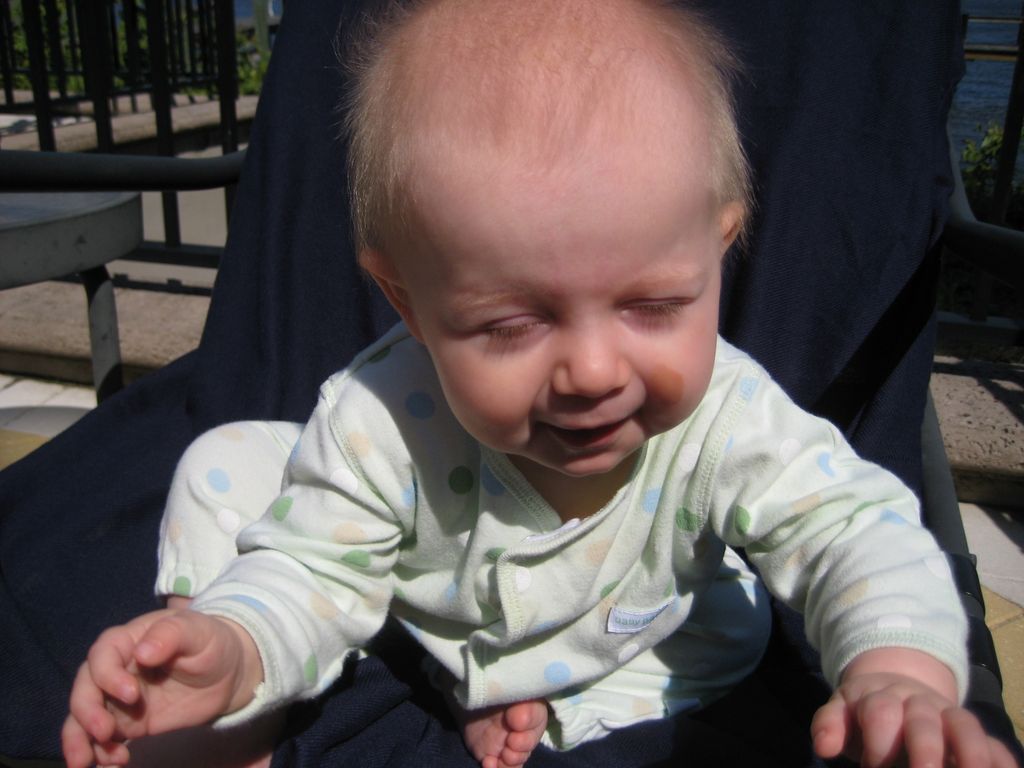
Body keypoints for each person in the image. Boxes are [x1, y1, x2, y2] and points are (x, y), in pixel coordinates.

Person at [62, 1, 1018, 767]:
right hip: (444, 617)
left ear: (719, 250)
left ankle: (511, 698)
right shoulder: (378, 417)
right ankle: (219, 692)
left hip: (654, 655)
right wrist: (240, 641)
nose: (593, 373)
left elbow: (853, 530)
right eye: (512, 325)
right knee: (227, 460)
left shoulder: (730, 419)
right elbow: (311, 571)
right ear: (407, 302)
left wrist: (900, 672)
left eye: (655, 305)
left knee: (648, 692)